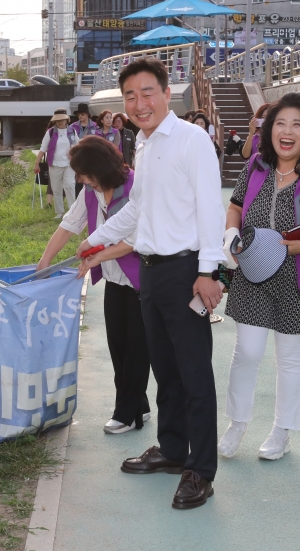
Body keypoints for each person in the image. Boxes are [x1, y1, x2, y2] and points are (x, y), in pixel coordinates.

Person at [77, 57, 225, 510]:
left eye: (147, 93)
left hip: (185, 272)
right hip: (152, 273)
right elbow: (137, 210)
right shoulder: (142, 143)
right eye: (130, 96)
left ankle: (200, 470)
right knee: (165, 369)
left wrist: (208, 271)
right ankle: (172, 448)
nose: (139, 103)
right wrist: (94, 241)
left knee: (195, 373)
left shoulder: (191, 140)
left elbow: (209, 208)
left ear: (166, 92)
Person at [218, 92, 300, 462]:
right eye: (280, 123)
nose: (287, 131)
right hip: (254, 274)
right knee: (247, 352)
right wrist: (230, 233)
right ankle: (237, 423)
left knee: (289, 360)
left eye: (296, 124)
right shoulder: (256, 167)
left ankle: (281, 431)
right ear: (269, 130)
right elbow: (235, 206)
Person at [37, 136, 151, 434]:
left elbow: (134, 239)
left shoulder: (136, 186)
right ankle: (139, 403)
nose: (83, 181)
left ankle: (126, 413)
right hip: (115, 280)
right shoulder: (90, 191)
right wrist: (44, 261)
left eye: (87, 175)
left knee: (138, 349)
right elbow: (69, 225)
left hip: (144, 278)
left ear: (103, 168)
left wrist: (96, 255)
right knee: (119, 347)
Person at [34, 108, 77, 219]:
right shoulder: (51, 132)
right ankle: (60, 212)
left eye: (62, 120)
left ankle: (73, 211)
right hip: (54, 164)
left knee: (69, 185)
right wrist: (37, 163)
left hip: (69, 164)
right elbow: (43, 148)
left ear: (66, 120)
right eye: (57, 120)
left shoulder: (72, 131)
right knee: (56, 189)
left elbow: (78, 146)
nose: (60, 122)